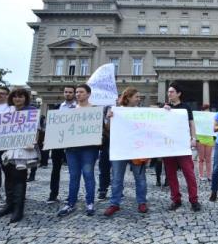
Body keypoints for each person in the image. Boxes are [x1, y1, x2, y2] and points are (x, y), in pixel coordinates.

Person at [104, 87, 149, 216]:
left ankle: (142, 202)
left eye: (139, 97)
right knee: (117, 178)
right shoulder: (116, 111)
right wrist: (109, 119)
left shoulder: (141, 112)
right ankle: (114, 203)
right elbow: (108, 130)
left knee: (140, 178)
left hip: (137, 150)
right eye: (137, 97)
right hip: (120, 149)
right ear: (128, 98)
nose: (139, 99)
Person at [0, 88, 39, 223]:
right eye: (15, 97)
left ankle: (18, 209)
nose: (17, 99)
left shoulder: (31, 111)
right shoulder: (8, 111)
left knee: (19, 178)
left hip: (23, 149)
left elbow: (36, 128)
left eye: (20, 97)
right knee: (8, 176)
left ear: (25, 98)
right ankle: (10, 204)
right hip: (6, 148)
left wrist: (34, 140)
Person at [57, 84, 101, 217]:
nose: (78, 94)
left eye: (81, 92)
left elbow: (100, 129)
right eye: (77, 92)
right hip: (72, 149)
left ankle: (90, 203)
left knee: (88, 175)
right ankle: (71, 203)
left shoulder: (95, 110)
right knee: (73, 176)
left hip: (89, 149)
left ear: (88, 94)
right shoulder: (69, 110)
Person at [163, 82, 201, 211]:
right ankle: (176, 199)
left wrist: (194, 138)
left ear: (178, 93)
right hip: (168, 147)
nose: (169, 94)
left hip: (182, 146)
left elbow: (191, 124)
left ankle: (194, 200)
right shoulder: (164, 108)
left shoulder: (185, 108)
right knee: (171, 175)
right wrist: (164, 111)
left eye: (172, 91)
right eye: (168, 92)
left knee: (189, 173)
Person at [47, 86, 77, 204]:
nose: (68, 94)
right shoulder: (57, 107)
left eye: (70, 92)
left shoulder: (79, 108)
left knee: (74, 171)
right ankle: (53, 194)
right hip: (58, 142)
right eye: (66, 92)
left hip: (73, 143)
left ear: (74, 94)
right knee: (55, 169)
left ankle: (72, 195)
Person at [197, 104, 214, 181]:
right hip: (200, 139)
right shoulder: (198, 118)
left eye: (208, 110)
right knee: (201, 159)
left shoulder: (212, 117)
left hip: (209, 139)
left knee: (208, 159)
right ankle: (200, 175)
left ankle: (209, 175)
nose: (207, 111)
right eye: (205, 110)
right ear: (202, 111)